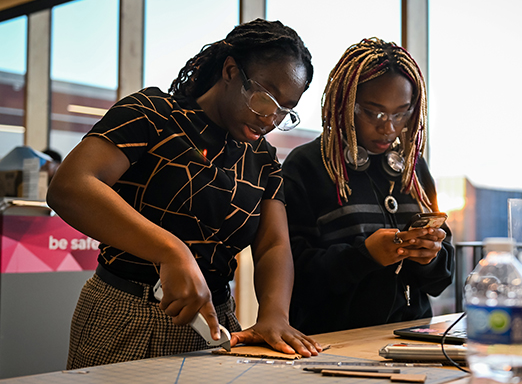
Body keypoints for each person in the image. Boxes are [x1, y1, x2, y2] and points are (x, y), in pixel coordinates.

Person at [47, 19, 322, 369]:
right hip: (128, 313)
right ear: (230, 71)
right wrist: (170, 250)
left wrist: (274, 314)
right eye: (265, 97)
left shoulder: (263, 158)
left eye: (286, 109)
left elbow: (273, 245)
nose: (271, 118)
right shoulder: (154, 114)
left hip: (217, 324)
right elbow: (70, 187)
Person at [283, 38, 455, 335]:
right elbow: (292, 277)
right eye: (374, 113)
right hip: (334, 343)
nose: (389, 127)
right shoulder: (307, 166)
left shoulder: (412, 168)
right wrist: (365, 256)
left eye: (401, 113)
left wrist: (431, 256)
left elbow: (440, 281)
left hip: (412, 338)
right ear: (345, 103)